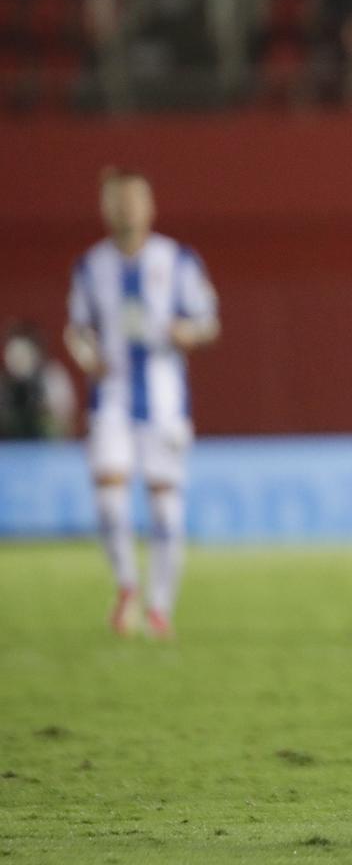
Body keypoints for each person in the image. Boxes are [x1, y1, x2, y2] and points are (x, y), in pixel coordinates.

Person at [64, 169, 220, 639]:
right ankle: (128, 586)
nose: (127, 209)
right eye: (118, 201)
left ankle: (160, 607)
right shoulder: (90, 266)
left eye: (135, 200)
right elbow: (76, 329)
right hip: (111, 399)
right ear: (104, 208)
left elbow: (209, 320)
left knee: (166, 512)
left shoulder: (178, 260)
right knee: (110, 500)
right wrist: (85, 354)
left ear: (150, 206)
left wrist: (188, 331)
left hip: (165, 402)